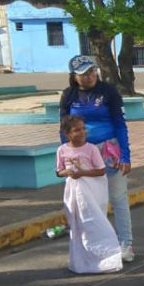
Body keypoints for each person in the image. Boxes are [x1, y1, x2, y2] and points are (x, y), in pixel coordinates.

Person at [59, 55, 134, 263]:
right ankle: (97, 244)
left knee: (118, 197)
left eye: (92, 71)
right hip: (81, 153)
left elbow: (120, 123)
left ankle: (126, 243)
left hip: (109, 150)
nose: (89, 76)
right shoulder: (68, 95)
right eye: (84, 73)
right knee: (90, 202)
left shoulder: (108, 91)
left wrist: (126, 154)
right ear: (74, 76)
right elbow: (63, 128)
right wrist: (65, 154)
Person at [57, 115, 123, 274]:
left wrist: (82, 173)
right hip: (73, 192)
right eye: (76, 130)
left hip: (92, 190)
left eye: (83, 128)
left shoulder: (91, 148)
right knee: (78, 224)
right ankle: (81, 260)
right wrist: (68, 172)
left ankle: (105, 256)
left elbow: (101, 170)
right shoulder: (62, 150)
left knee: (94, 220)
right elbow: (59, 171)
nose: (82, 132)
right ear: (67, 134)